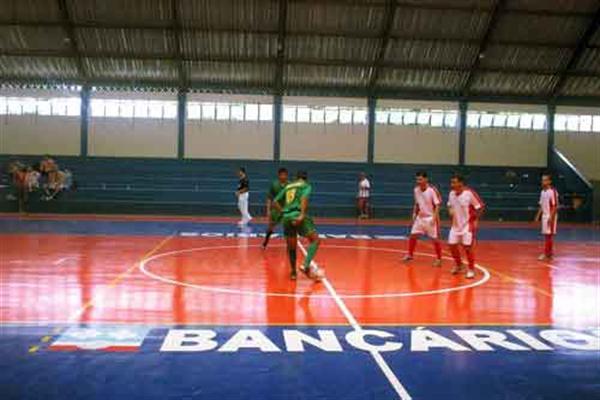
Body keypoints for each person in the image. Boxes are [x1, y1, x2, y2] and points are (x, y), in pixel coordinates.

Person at [273, 171, 322, 281]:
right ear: (305, 178)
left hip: (286, 218)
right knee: (315, 240)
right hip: (297, 215)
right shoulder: (306, 186)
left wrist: (283, 213)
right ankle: (305, 265)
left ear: (296, 178)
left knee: (291, 247)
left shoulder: (289, 186)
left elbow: (275, 201)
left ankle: (293, 273)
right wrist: (302, 215)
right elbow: (304, 199)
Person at [447, 174, 485, 279]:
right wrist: (450, 210)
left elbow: (480, 206)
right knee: (451, 245)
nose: (452, 185)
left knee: (468, 248)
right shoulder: (451, 194)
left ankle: (471, 269)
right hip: (455, 225)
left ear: (461, 183)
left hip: (467, 225)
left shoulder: (469, 193)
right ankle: (459, 265)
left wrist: (476, 219)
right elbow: (449, 204)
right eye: (451, 182)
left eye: (454, 182)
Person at [403, 171, 443, 267]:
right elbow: (417, 203)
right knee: (413, 236)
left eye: (420, 179)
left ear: (426, 179)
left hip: (430, 218)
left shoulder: (432, 190)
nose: (418, 181)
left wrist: (434, 217)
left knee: (435, 239)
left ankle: (439, 258)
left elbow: (438, 205)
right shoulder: (416, 190)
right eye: (417, 179)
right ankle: (410, 254)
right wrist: (414, 214)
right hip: (420, 218)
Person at [262, 167, 289, 249]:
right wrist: (268, 210)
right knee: (271, 227)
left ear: (287, 176)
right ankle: (265, 243)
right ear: (279, 175)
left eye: (285, 175)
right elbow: (269, 198)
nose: (283, 176)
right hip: (275, 210)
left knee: (288, 227)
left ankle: (289, 245)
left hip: (286, 210)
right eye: (282, 175)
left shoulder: (290, 185)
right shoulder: (274, 184)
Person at [535, 172, 559, 261]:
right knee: (546, 235)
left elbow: (555, 205)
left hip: (550, 215)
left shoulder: (553, 192)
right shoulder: (542, 192)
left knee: (549, 236)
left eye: (545, 180)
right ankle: (549, 253)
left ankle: (547, 254)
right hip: (544, 215)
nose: (543, 182)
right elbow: (541, 205)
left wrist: (551, 217)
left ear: (549, 181)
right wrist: (538, 215)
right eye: (542, 180)